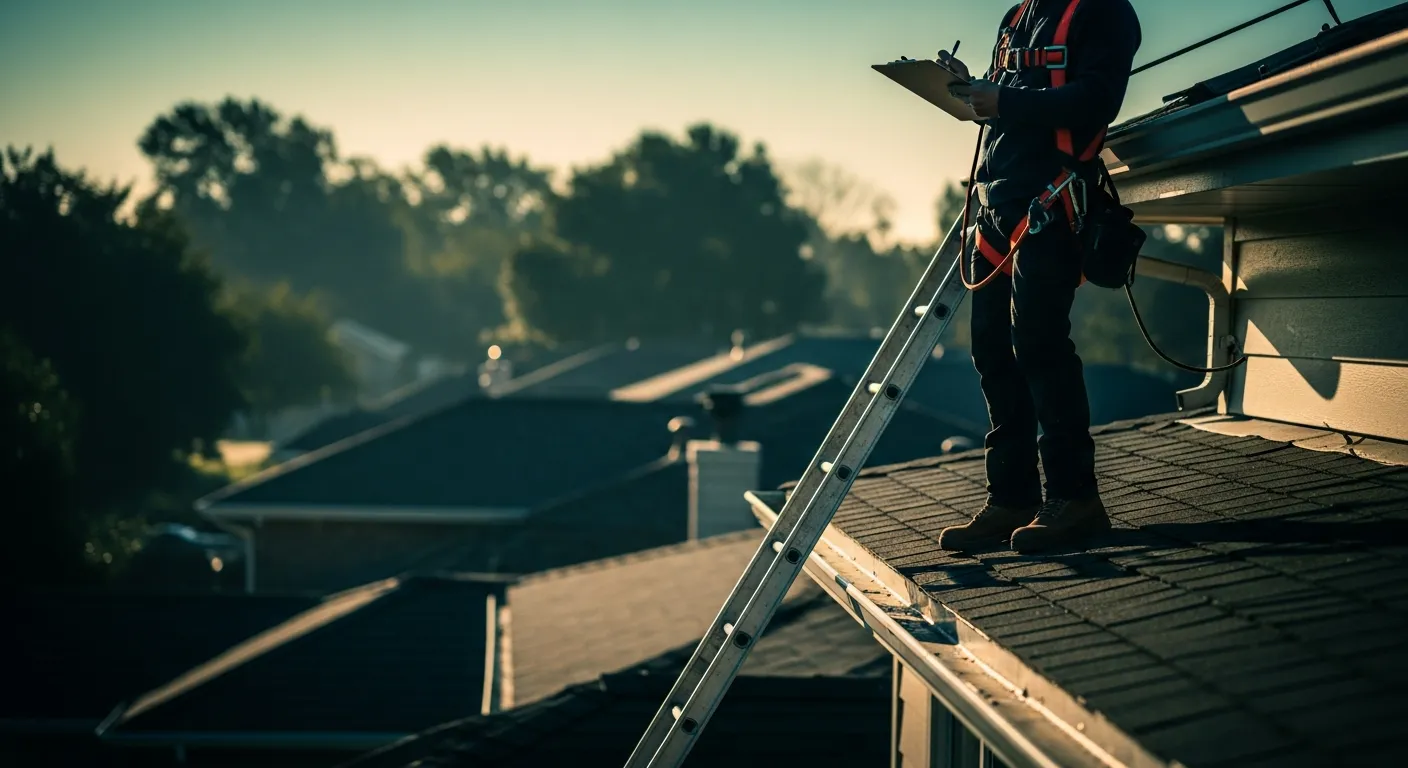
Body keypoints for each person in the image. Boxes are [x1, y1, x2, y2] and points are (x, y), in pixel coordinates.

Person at [933, 0, 1142, 554]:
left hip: (1052, 201)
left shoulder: (1104, 12)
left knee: (1040, 347)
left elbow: (1096, 100)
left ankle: (1075, 501)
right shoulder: (1018, 15)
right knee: (993, 351)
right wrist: (972, 90)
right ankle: (1012, 499)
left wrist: (1002, 98)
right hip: (996, 205)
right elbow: (1016, 100)